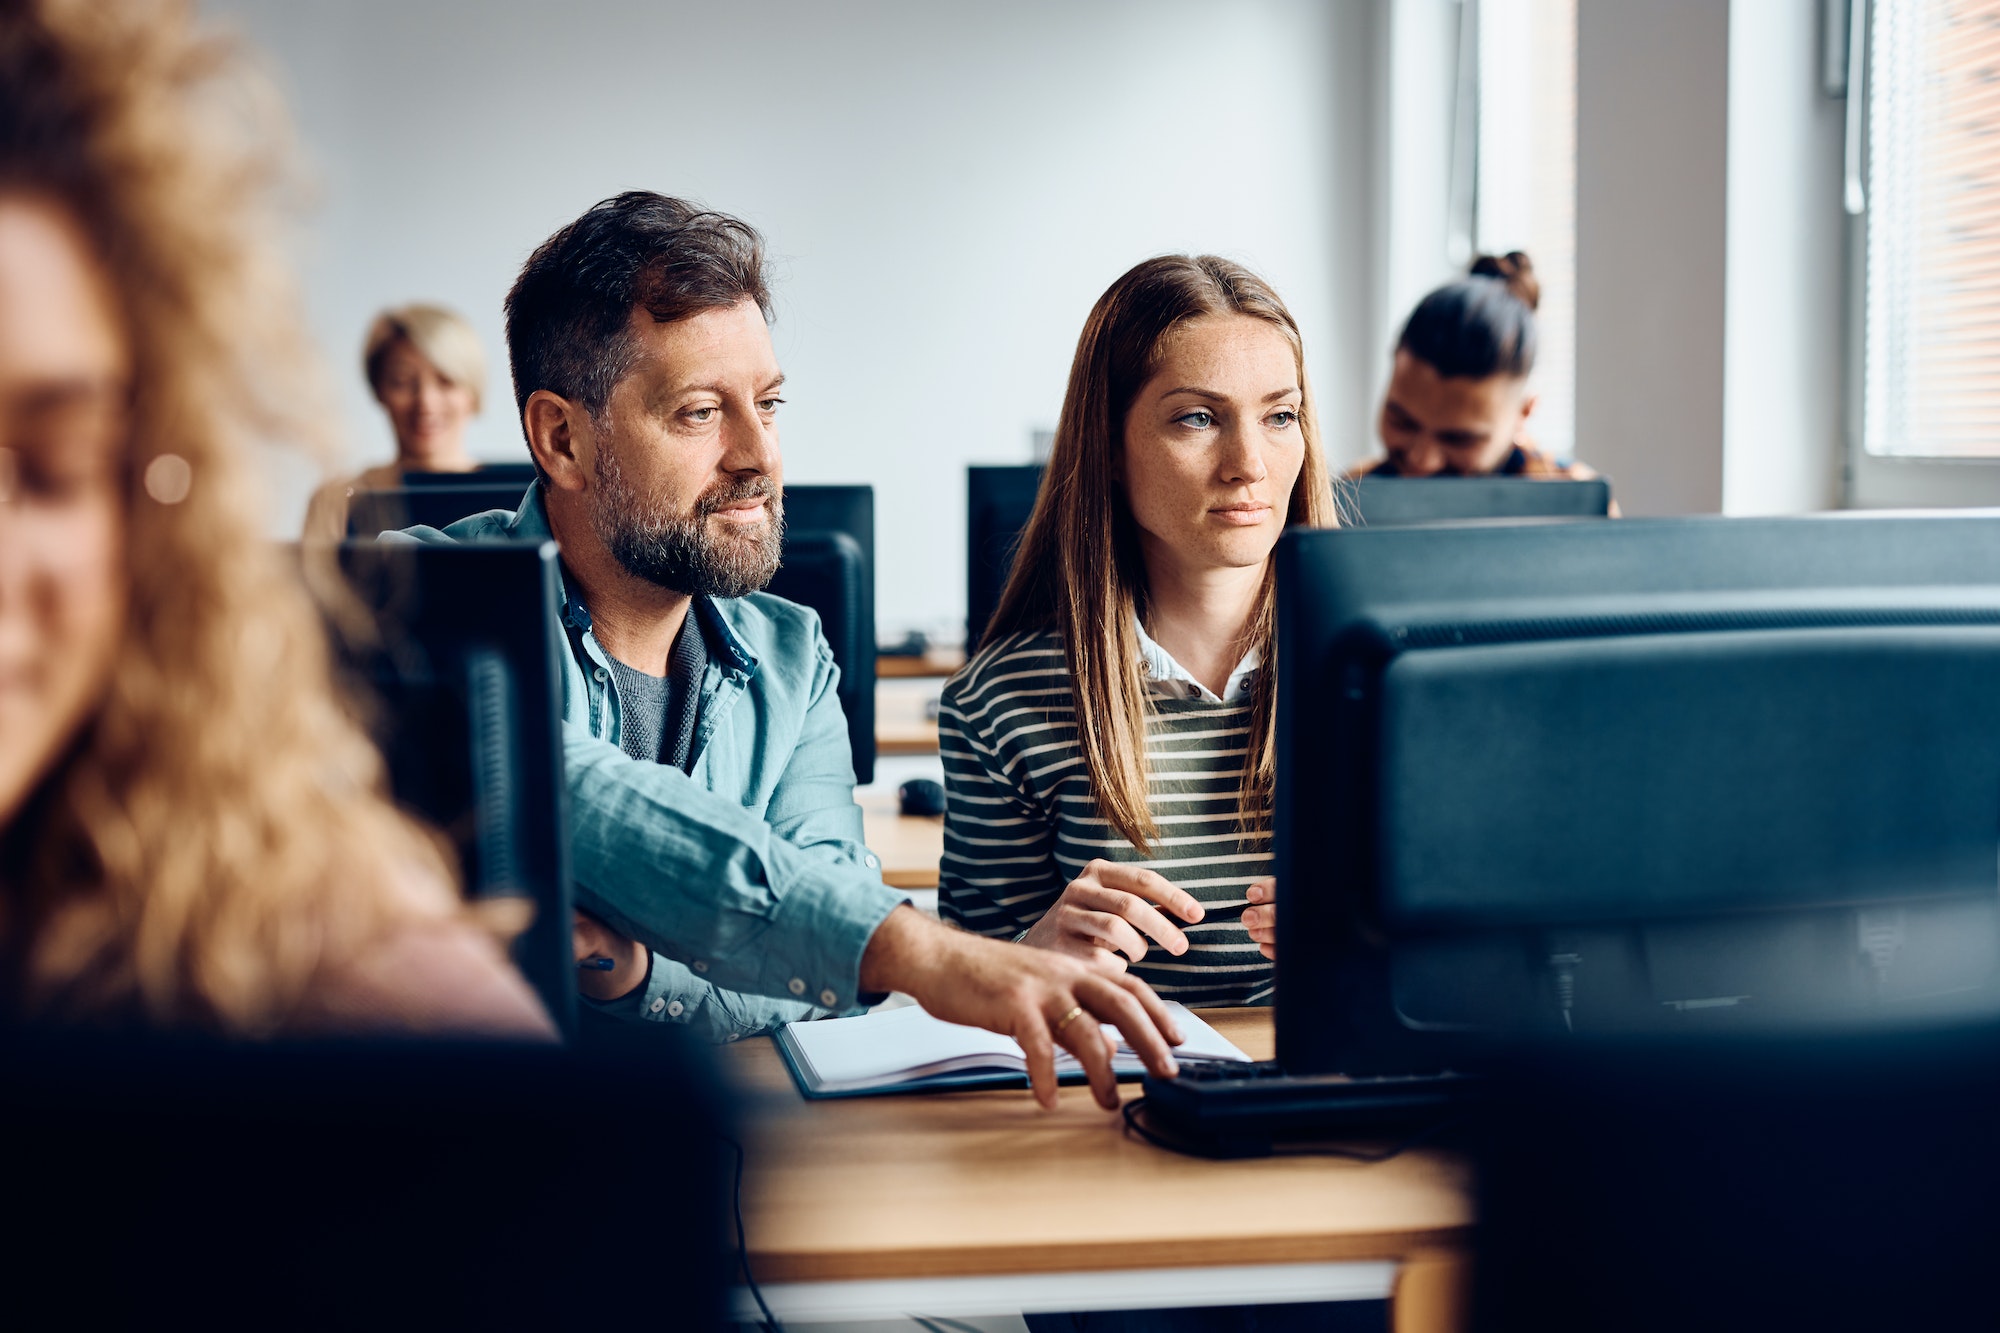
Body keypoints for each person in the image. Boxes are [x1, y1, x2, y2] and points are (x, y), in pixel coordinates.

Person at [403, 191, 1182, 1107]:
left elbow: (826, 988)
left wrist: (634, 970)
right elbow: (555, 783)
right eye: (699, 413)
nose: (758, 454)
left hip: (696, 1148)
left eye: (767, 404)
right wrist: (903, 949)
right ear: (561, 437)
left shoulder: (790, 653)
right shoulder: (420, 595)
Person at [0, 0, 550, 1039]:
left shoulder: (298, 926)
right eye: (399, 384)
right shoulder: (340, 505)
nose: (419, 403)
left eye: (55, 470)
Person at [937, 256, 1332, 1007]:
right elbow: (967, 997)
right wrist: (1032, 955)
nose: (1248, 464)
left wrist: (1381, 941)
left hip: (1337, 1087)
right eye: (1197, 418)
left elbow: (1494, 960)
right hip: (1107, 1099)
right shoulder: (1004, 700)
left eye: (1280, 415)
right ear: (1110, 449)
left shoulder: (1383, 675)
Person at [1353, 251, 1608, 486]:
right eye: (1402, 422)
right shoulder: (1346, 498)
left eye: (1459, 439)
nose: (1423, 461)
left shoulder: (1577, 507)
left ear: (1524, 412)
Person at [302, 303, 489, 539]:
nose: (426, 403)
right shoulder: (335, 502)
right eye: (402, 381)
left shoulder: (529, 498)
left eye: (446, 381)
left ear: (472, 392)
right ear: (379, 389)